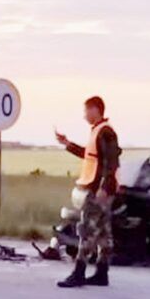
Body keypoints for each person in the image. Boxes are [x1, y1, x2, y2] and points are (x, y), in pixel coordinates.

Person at [54, 96, 121, 288]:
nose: (84, 115)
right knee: (104, 233)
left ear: (95, 110)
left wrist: (104, 187)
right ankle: (102, 272)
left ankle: (79, 272)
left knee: (87, 231)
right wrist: (67, 144)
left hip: (97, 190)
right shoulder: (98, 131)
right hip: (99, 189)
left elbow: (111, 162)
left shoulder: (105, 132)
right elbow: (89, 155)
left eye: (86, 111)